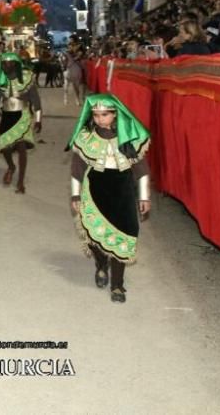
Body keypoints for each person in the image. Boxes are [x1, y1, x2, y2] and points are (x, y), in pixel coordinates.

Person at [68, 93, 151, 304]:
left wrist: (144, 196)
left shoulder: (129, 138)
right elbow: (77, 169)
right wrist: (76, 194)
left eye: (104, 114)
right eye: (95, 115)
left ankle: (117, 285)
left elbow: (142, 169)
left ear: (115, 115)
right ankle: (101, 265)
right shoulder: (86, 137)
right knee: (95, 236)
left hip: (123, 191)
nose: (99, 119)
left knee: (123, 236)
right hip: (95, 189)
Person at [0, 53, 42, 194]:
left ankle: (20, 182)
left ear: (16, 64)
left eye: (10, 63)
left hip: (22, 116)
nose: (7, 66)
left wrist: (38, 119)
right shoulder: (0, 80)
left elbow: (36, 100)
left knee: (21, 147)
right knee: (5, 147)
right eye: (5, 63)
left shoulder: (26, 78)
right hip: (6, 115)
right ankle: (11, 167)